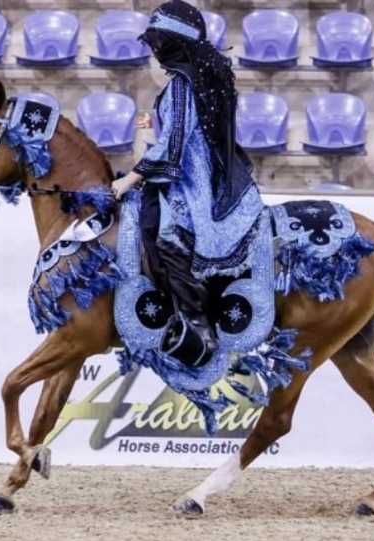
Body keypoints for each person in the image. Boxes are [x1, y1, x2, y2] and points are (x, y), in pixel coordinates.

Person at [111, 0, 264, 360]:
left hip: (191, 181)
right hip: (194, 171)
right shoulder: (192, 82)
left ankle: (198, 327)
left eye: (159, 43)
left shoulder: (182, 84)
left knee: (168, 238)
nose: (156, 51)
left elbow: (174, 146)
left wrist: (129, 179)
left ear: (172, 44)